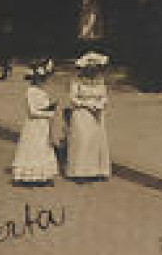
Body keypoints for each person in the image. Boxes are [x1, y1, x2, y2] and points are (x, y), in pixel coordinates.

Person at [11, 61, 61, 186]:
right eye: (41, 79)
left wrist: (50, 108)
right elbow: (32, 112)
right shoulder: (30, 91)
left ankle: (42, 175)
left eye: (44, 79)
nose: (43, 81)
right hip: (34, 124)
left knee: (43, 147)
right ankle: (28, 175)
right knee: (33, 147)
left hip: (43, 125)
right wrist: (48, 114)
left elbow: (43, 106)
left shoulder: (42, 91)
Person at [65, 52, 112, 180]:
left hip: (97, 114)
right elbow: (73, 98)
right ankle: (79, 172)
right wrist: (86, 105)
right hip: (81, 113)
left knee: (95, 141)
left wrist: (100, 104)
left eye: (95, 69)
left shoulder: (100, 81)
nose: (92, 71)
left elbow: (104, 97)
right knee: (83, 140)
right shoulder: (76, 82)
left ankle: (96, 171)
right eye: (89, 69)